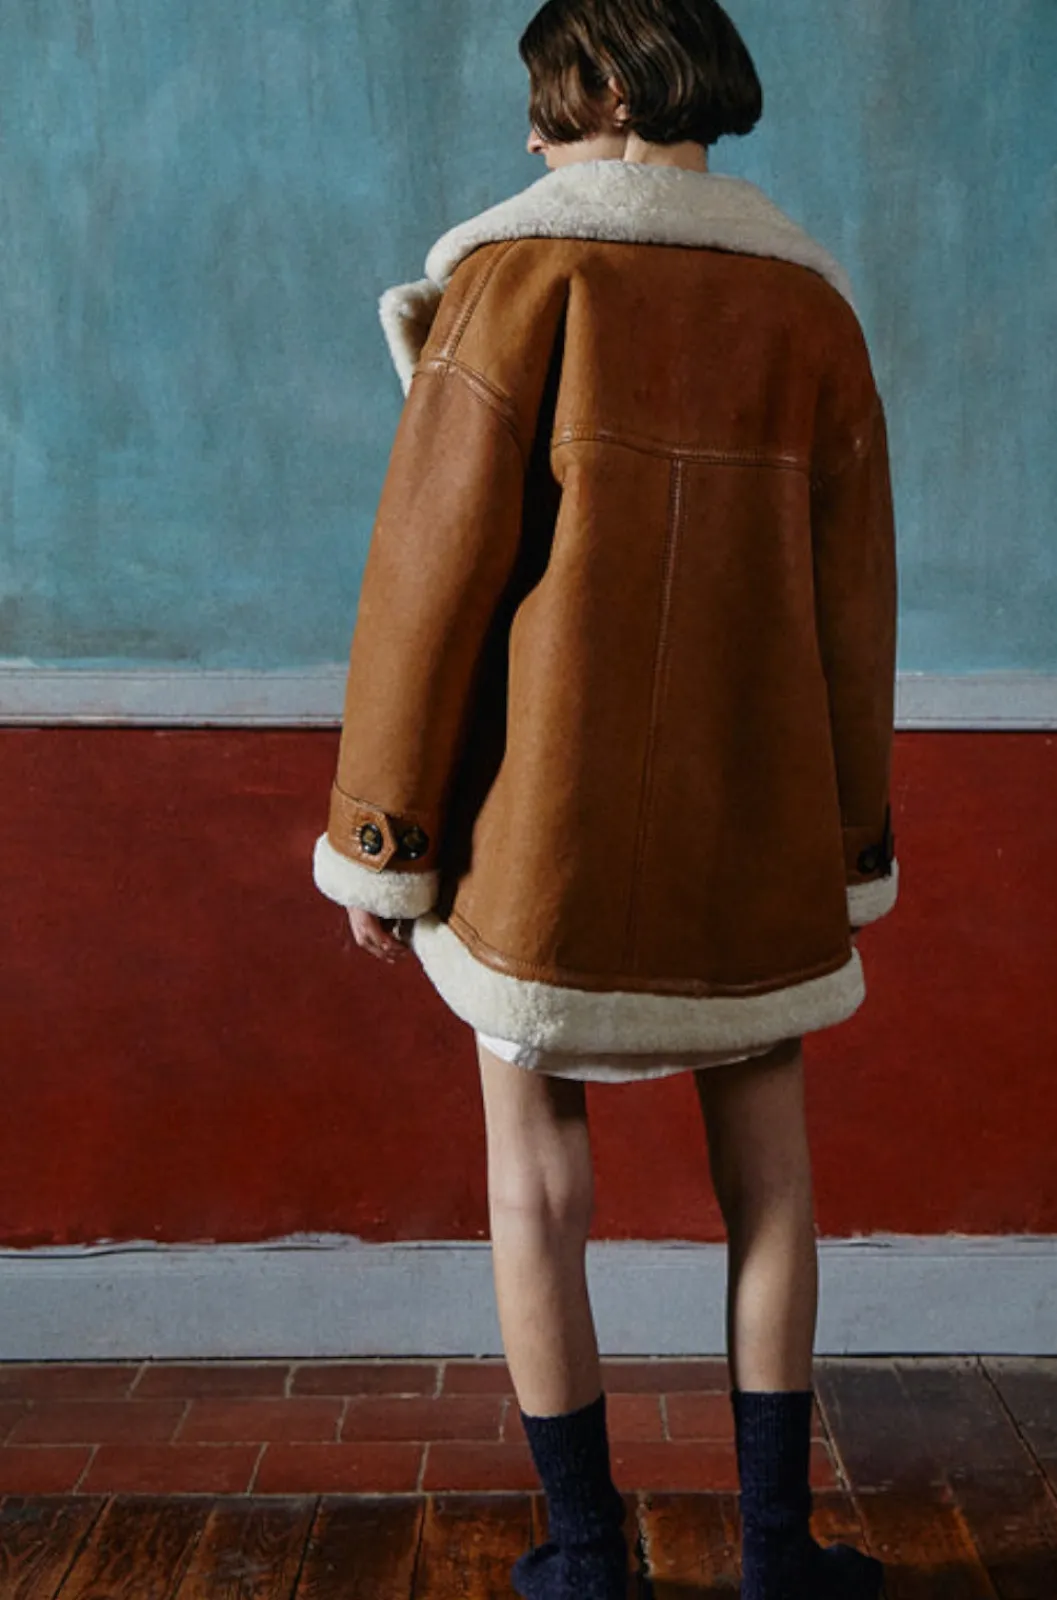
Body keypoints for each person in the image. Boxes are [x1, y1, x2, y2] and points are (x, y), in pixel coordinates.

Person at [313, 1, 897, 1594]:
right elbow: (855, 612)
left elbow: (426, 588)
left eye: (549, 99)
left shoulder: (515, 280)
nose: (529, 135)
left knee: (535, 1182)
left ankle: (585, 1558)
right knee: (771, 1187)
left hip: (535, 842)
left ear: (620, 89)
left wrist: (385, 840)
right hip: (754, 836)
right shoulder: (812, 312)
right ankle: (776, 1555)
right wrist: (850, 847)